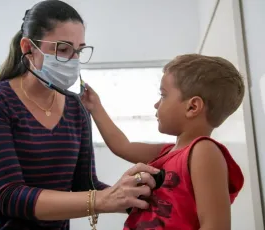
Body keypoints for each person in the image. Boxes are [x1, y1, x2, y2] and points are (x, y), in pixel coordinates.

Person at [0, 1, 160, 229]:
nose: (73, 60)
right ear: (28, 48)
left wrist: (140, 199)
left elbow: (85, 185)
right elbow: (10, 196)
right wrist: (105, 199)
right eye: (62, 50)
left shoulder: (76, 107)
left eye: (79, 51)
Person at [81, 54, 245, 230]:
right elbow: (122, 146)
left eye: (163, 95)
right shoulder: (167, 152)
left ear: (192, 107)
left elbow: (215, 226)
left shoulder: (203, 151)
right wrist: (95, 107)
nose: (156, 104)